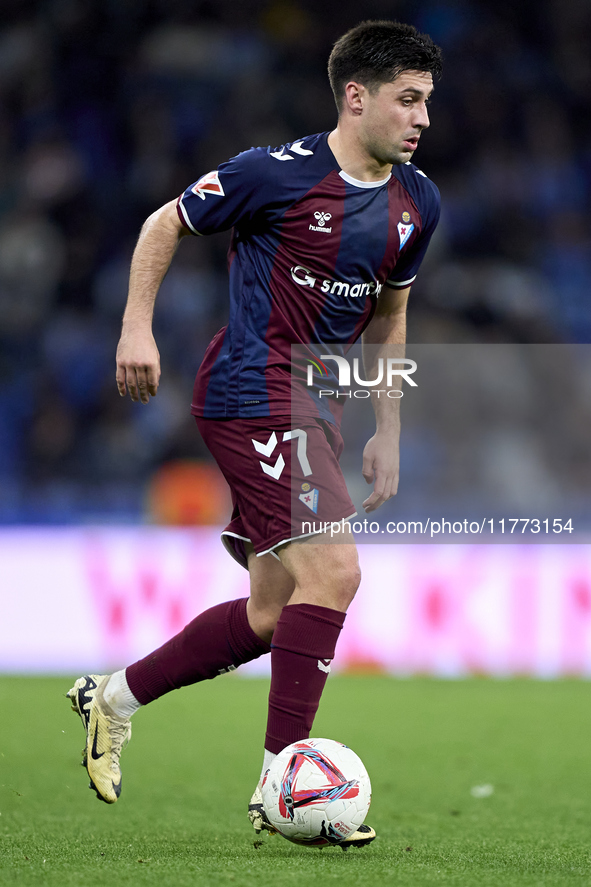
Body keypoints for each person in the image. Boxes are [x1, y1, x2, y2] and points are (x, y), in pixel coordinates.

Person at [67, 19, 442, 849]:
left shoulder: (418, 201)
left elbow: (391, 314)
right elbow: (162, 224)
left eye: (427, 102)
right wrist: (136, 329)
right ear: (356, 96)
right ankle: (283, 778)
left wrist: (387, 427)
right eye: (406, 100)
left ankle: (112, 699)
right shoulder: (273, 174)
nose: (421, 118)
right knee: (335, 571)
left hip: (321, 406)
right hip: (252, 389)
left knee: (276, 612)